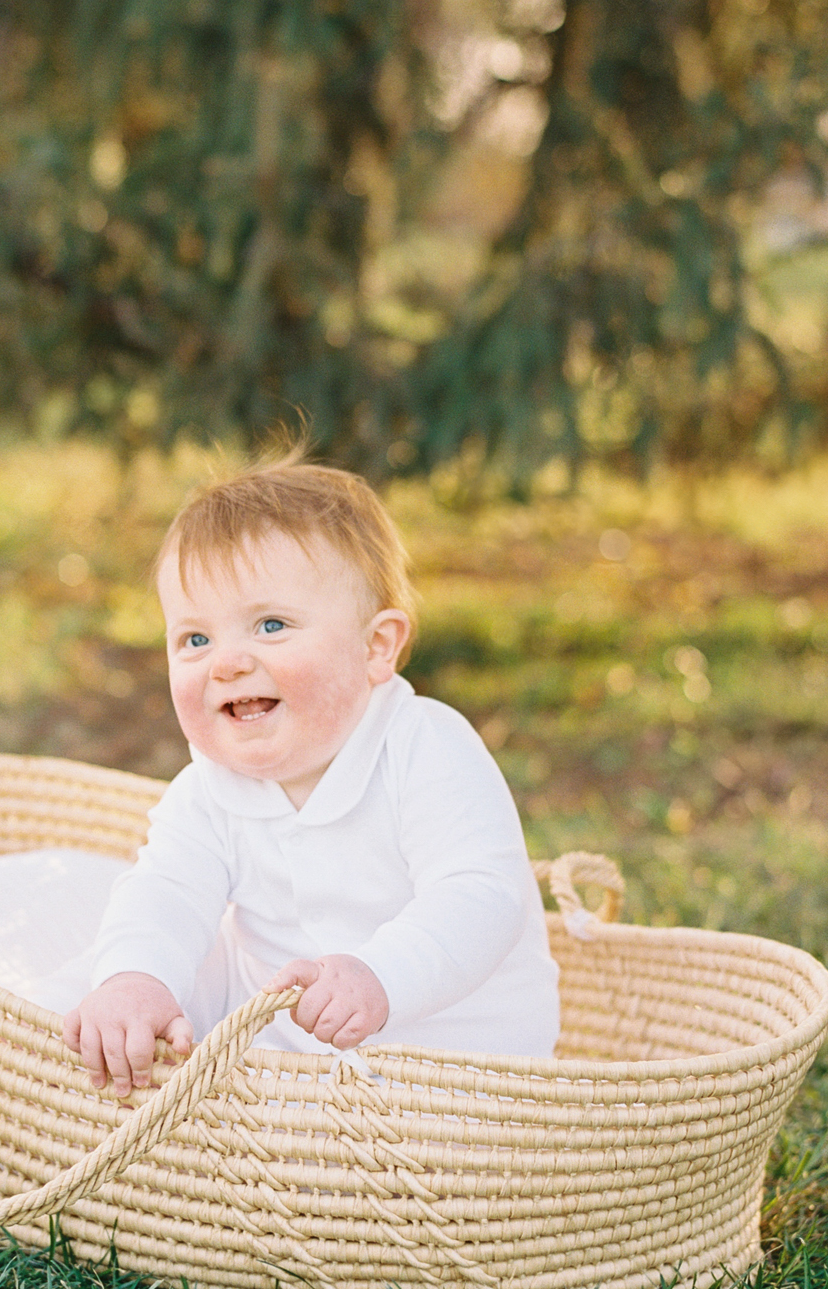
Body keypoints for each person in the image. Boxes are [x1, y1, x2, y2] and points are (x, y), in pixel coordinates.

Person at [59, 453, 560, 1095]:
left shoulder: (425, 748)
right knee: (135, 968)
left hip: (457, 1066)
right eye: (193, 640)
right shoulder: (210, 786)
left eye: (271, 625)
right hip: (283, 1062)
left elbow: (483, 896)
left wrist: (381, 975)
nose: (227, 663)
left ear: (375, 648)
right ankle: (92, 1020)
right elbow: (168, 891)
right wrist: (135, 975)